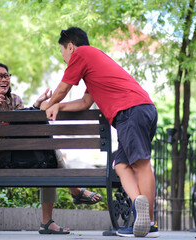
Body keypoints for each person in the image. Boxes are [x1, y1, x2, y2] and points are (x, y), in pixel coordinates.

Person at [0, 62, 101, 234]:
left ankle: (54, 214)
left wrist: (36, 106)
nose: (5, 78)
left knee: (48, 157)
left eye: (7, 75)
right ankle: (70, 195)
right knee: (49, 156)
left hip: (17, 156)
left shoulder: (14, 99)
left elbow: (25, 124)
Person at [40, 27, 158, 238]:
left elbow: (63, 88)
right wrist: (60, 106)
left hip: (131, 111)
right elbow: (85, 102)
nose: (64, 59)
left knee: (141, 164)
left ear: (70, 46)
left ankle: (148, 222)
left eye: (62, 53)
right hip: (134, 112)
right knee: (122, 165)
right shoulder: (94, 63)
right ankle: (138, 206)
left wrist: (49, 103)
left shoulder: (82, 53)